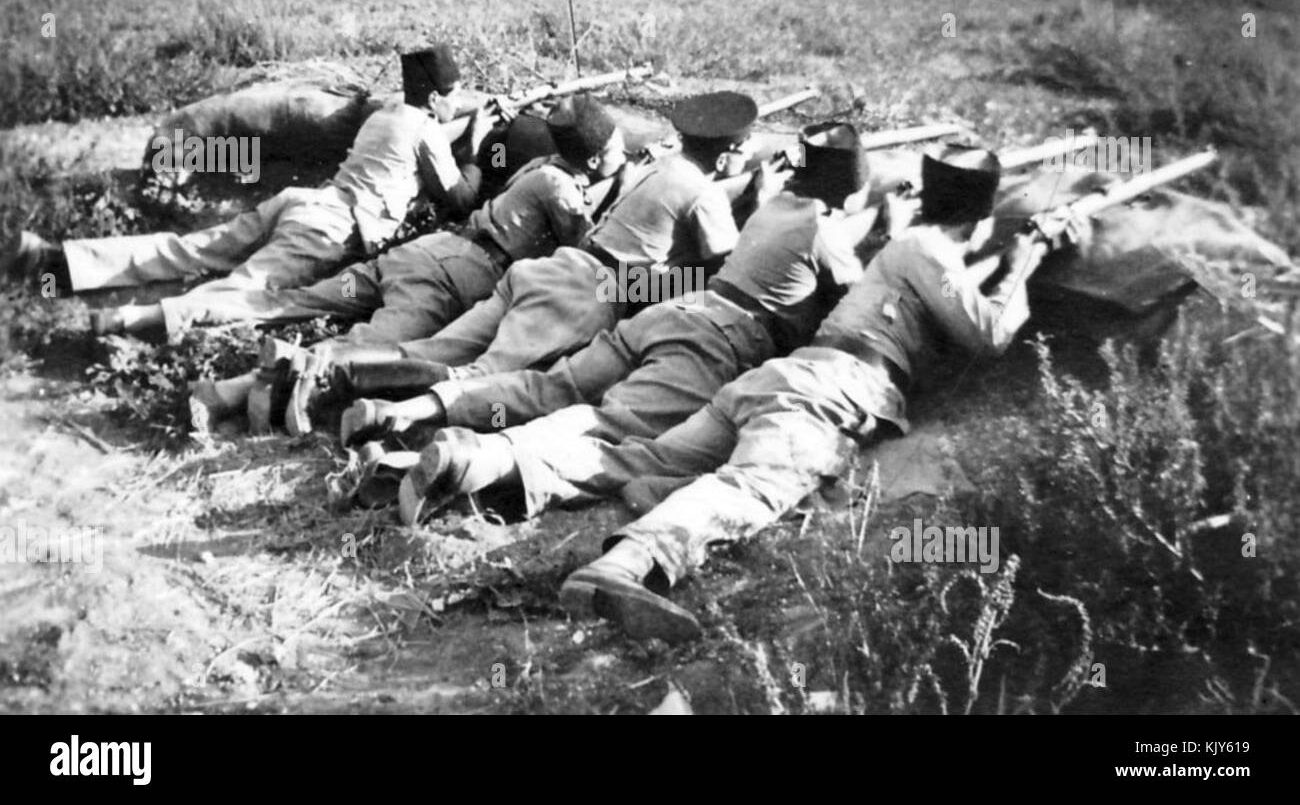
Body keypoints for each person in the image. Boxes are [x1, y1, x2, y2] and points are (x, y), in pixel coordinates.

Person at [409, 146, 1084, 642]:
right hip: (825, 395)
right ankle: (632, 563)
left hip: (772, 378)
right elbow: (989, 332)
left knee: (636, 454)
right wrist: (1030, 256)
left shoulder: (895, 248)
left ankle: (488, 459)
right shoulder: (928, 248)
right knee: (747, 490)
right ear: (982, 215)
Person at [343, 122, 891, 514]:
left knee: (546, 386)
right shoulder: (825, 230)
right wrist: (883, 227)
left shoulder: (769, 204)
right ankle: (477, 457)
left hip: (661, 311)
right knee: (613, 433)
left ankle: (407, 417)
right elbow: (850, 299)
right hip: (711, 335)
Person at [280, 91, 752, 437]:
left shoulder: (659, 168)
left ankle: (314, 363)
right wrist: (758, 197)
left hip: (544, 272)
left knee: (436, 350)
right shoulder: (704, 193)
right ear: (730, 154)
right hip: (586, 289)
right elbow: (721, 274)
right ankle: (384, 410)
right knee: (483, 379)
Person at [187, 97, 620, 428]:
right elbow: (585, 248)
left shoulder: (540, 167)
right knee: (374, 350)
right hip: (448, 278)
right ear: (597, 160)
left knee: (294, 301)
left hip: (421, 252)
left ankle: (179, 312)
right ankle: (229, 392)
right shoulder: (561, 188)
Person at [6, 46, 491, 337]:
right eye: (452, 95)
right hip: (331, 228)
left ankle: (58, 259)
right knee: (248, 292)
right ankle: (132, 320)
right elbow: (460, 199)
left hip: (303, 203)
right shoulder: (427, 130)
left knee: (191, 248)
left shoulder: (385, 114)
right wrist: (472, 147)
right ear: (433, 98)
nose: (456, 103)